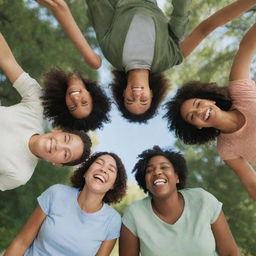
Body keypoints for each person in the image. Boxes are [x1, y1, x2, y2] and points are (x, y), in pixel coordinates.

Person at [35, 0, 256, 123]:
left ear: (124, 95)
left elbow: (99, 6)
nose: (137, 96)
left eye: (131, 101)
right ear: (152, 94)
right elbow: (204, 26)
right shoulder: (170, 57)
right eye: (144, 101)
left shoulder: (113, 53)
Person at [164, 23, 256, 200]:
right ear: (197, 127)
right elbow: (252, 185)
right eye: (192, 116)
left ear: (210, 99)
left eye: (198, 103)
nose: (199, 112)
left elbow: (247, 45)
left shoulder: (240, 93)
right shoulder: (227, 149)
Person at [0, 33, 92, 191]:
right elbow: (7, 60)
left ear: (57, 163)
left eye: (65, 154)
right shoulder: (37, 105)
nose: (59, 146)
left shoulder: (20, 175)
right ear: (57, 131)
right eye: (65, 139)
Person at [119, 146, 239, 256]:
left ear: (177, 177)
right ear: (145, 182)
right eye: (149, 170)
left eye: (164, 167)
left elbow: (230, 253)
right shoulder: (134, 214)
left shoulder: (202, 200)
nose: (157, 172)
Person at [4, 152, 127, 256]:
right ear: (85, 172)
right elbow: (22, 242)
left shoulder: (112, 220)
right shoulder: (56, 193)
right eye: (99, 163)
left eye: (111, 169)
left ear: (113, 185)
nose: (103, 169)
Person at [41, 67, 111, 131]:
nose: (75, 98)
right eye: (84, 102)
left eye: (72, 107)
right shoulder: (90, 66)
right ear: (91, 95)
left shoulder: (41, 88)